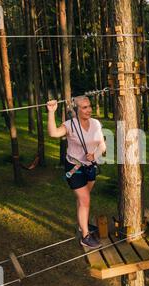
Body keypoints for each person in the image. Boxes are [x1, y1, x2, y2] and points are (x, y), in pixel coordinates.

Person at [47, 96, 106, 249]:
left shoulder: (95, 124)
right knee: (85, 200)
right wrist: (51, 112)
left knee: (82, 200)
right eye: (84, 107)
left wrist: (95, 155)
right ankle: (85, 236)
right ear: (76, 110)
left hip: (90, 166)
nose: (89, 110)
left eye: (89, 106)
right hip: (74, 168)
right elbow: (53, 133)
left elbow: (102, 146)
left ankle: (82, 225)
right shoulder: (70, 125)